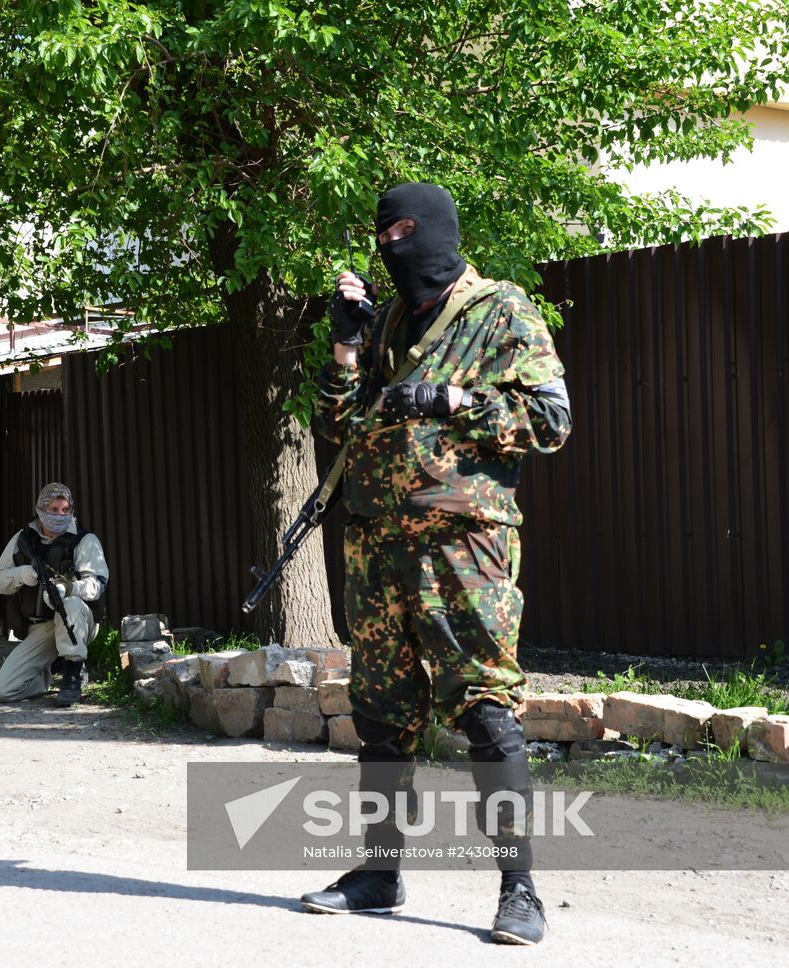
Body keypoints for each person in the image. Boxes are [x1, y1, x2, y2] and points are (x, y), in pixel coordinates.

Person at [302, 182, 572, 945]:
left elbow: (552, 421)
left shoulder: (501, 309)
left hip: (465, 549)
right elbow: (337, 426)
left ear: (442, 231)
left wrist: (449, 400)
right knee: (381, 716)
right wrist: (346, 346)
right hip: (378, 548)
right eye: (385, 231)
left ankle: (520, 891)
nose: (393, 243)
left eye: (407, 229)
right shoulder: (388, 319)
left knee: (485, 710)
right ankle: (377, 875)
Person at [0, 483, 109, 706]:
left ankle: (74, 674)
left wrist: (70, 589)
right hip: (41, 627)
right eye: (54, 510)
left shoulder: (85, 541)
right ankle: (45, 674)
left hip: (77, 621)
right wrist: (24, 573)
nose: (60, 515)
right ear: (41, 509)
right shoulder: (22, 539)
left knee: (71, 604)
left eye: (65, 510)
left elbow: (98, 584)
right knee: (5, 691)